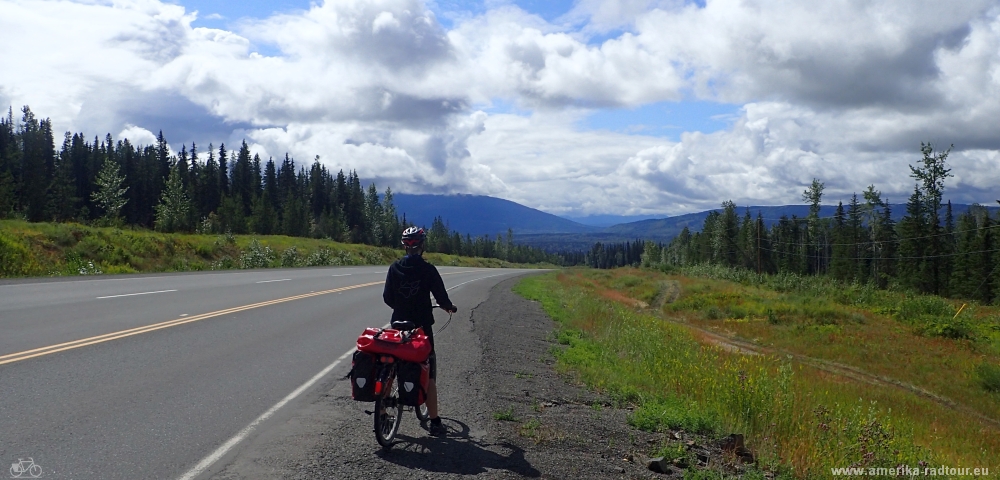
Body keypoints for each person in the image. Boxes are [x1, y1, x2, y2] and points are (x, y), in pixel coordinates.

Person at [382, 226, 458, 436]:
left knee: (393, 364)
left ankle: (383, 410)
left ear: (405, 246)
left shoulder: (394, 267)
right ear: (422, 246)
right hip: (421, 328)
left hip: (397, 325)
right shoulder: (428, 269)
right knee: (429, 372)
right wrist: (448, 307)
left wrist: (402, 307)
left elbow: (388, 298)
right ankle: (434, 422)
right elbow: (441, 297)